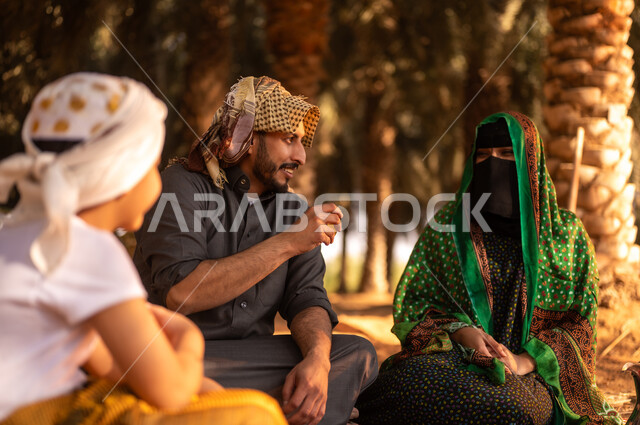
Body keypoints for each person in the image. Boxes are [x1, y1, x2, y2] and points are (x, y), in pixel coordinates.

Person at [0, 73, 287, 425]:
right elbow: (167, 391)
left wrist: (202, 387)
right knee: (256, 415)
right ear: (121, 174)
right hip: (44, 415)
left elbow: (104, 361)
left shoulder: (19, 233)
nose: (160, 177)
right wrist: (188, 340)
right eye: (152, 166)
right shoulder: (90, 251)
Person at [134, 76, 378, 425]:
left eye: (302, 142)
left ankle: (259, 407)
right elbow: (181, 292)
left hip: (251, 360)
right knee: (159, 372)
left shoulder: (293, 211)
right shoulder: (181, 185)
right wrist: (289, 243)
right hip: (179, 357)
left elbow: (307, 299)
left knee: (355, 352)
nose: (301, 156)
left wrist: (318, 362)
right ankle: (294, 410)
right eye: (289, 140)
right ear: (246, 138)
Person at [355, 112, 622, 425]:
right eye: (483, 155)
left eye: (507, 154)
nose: (493, 163)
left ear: (530, 162)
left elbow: (580, 323)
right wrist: (461, 332)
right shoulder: (447, 228)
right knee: (395, 388)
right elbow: (415, 303)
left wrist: (525, 360)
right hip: (455, 361)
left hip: (531, 377)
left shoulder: (566, 234)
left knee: (513, 409)